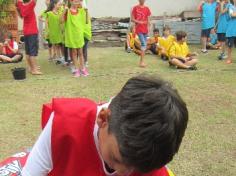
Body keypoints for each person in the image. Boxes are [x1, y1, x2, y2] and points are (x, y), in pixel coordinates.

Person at [21, 74, 188, 176]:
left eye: (134, 168)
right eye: (116, 159)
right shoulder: (64, 125)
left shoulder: (152, 151)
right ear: (103, 119)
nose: (123, 172)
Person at [61, 0, 89, 77]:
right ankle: (76, 69)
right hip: (71, 36)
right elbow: (61, 21)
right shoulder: (68, 11)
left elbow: (86, 21)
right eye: (75, 1)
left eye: (78, 1)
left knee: (80, 53)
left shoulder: (81, 11)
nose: (77, 3)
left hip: (79, 35)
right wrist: (64, 11)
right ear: (71, 1)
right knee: (74, 53)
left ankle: (83, 69)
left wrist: (86, 12)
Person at [16, 0, 42, 75]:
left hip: (26, 31)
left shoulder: (21, 5)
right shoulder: (30, 5)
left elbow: (20, 15)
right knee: (32, 52)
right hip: (32, 31)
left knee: (28, 52)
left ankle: (31, 68)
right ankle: (34, 70)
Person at [132, 0, 151, 68]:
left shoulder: (147, 8)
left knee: (144, 45)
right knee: (143, 44)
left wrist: (149, 27)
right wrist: (139, 22)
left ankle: (141, 61)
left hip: (145, 29)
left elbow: (148, 19)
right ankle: (142, 62)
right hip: (138, 29)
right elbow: (132, 19)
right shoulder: (135, 8)